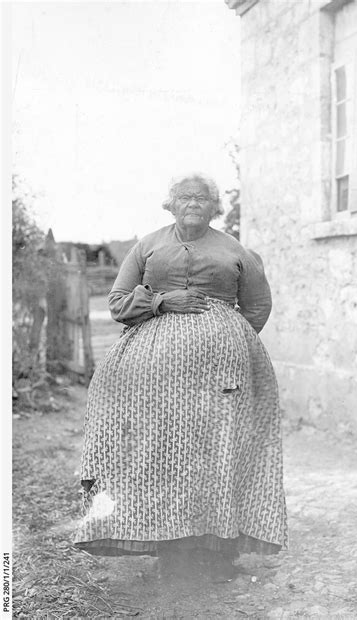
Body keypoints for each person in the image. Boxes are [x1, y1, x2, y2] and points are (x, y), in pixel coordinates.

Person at [74, 173, 288, 581]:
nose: (193, 203)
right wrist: (160, 301)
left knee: (216, 451)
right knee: (159, 453)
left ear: (215, 208)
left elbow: (258, 306)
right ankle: (165, 544)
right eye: (185, 197)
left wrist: (229, 339)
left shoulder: (235, 250)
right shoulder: (148, 245)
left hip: (219, 377)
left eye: (202, 198)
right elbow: (118, 302)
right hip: (153, 377)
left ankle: (219, 547)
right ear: (170, 204)